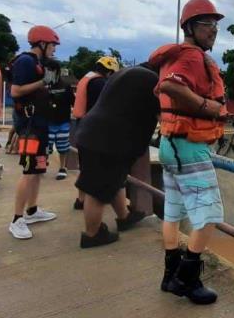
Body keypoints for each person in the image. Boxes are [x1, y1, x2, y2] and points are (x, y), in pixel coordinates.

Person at [148, 0, 229, 306]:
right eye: (208, 24)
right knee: (209, 214)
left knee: (173, 210)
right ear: (190, 27)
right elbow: (170, 86)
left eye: (216, 25)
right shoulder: (193, 57)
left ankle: (170, 275)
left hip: (170, 145)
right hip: (189, 146)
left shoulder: (174, 56)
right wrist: (209, 107)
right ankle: (187, 277)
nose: (214, 31)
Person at [73, 64, 159, 248]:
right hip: (108, 141)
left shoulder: (126, 73)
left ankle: (124, 217)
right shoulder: (154, 81)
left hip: (91, 132)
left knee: (114, 180)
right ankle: (92, 234)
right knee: (96, 190)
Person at [7, 26, 59, 239]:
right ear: (42, 43)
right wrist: (42, 82)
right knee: (29, 170)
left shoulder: (37, 63)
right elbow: (15, 91)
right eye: (53, 45)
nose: (54, 49)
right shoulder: (26, 61)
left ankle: (32, 210)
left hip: (38, 124)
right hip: (28, 127)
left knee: (38, 168)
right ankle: (17, 219)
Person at [71, 56, 120, 209]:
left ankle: (80, 199)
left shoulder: (87, 78)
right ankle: (94, 202)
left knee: (85, 166)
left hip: (81, 126)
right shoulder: (100, 83)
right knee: (97, 168)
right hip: (93, 130)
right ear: (110, 72)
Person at [44, 60, 75, 180]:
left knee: (63, 146)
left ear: (56, 71)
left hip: (63, 121)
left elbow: (73, 102)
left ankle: (63, 167)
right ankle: (43, 162)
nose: (47, 72)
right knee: (46, 145)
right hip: (47, 121)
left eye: (49, 70)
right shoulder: (43, 86)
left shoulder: (65, 85)